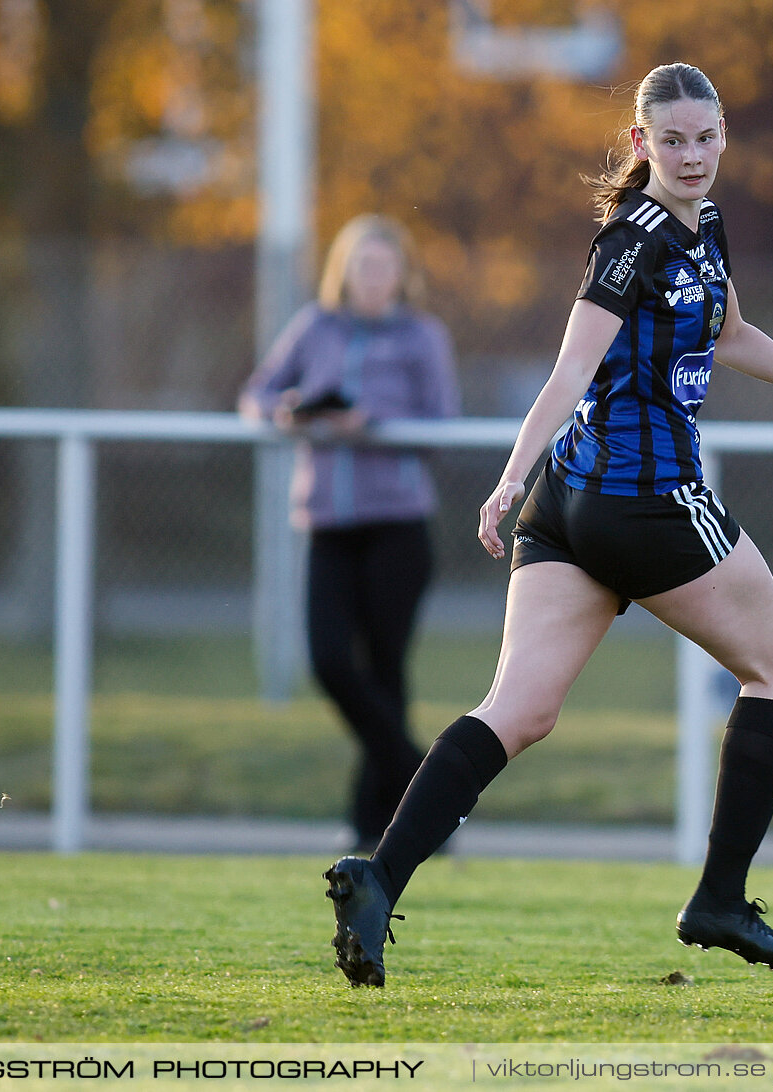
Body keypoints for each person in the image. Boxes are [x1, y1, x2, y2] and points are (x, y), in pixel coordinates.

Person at [322, 62, 773, 987]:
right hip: (643, 498)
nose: (694, 155)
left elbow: (731, 332)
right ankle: (718, 898)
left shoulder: (703, 224)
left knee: (520, 710)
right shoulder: (629, 242)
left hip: (574, 504)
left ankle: (378, 876)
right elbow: (567, 370)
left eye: (707, 136)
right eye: (672, 140)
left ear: (722, 136)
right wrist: (507, 476)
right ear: (641, 145)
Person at [240, 215, 460, 854]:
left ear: (401, 275)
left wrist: (376, 424)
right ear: (344, 269)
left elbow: (442, 423)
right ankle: (430, 783)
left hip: (397, 525)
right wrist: (287, 413)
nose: (373, 278)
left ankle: (374, 829)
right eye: (363, 265)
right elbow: (257, 393)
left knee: (387, 671)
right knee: (332, 662)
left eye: (384, 266)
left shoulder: (422, 336)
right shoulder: (315, 326)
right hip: (329, 524)